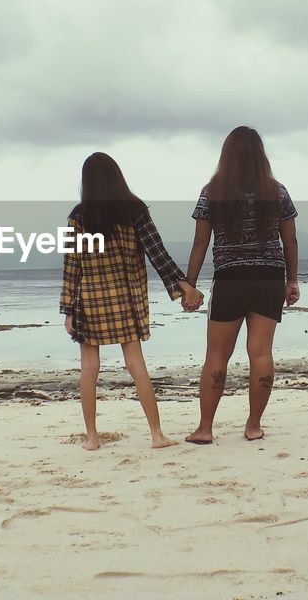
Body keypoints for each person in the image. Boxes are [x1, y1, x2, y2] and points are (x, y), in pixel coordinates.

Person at [61, 152, 204, 451]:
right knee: (136, 364)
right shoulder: (134, 210)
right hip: (125, 298)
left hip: (89, 300)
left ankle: (92, 437)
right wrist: (184, 287)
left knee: (89, 368)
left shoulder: (78, 216)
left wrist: (68, 310)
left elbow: (71, 265)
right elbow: (157, 253)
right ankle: (156, 434)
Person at [183, 127, 299, 444]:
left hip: (231, 279)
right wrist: (292, 280)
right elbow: (290, 241)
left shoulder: (212, 192)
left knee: (217, 356)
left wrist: (189, 285)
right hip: (269, 278)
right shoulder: (277, 192)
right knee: (261, 353)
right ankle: (253, 426)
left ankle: (205, 428)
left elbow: (199, 245)